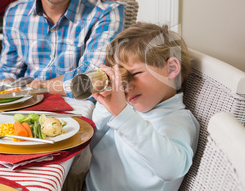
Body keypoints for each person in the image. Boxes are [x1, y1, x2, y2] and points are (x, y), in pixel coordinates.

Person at [85, 22, 200, 191]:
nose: (126, 85)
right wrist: (106, 103)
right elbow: (94, 145)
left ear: (171, 68)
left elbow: (172, 169)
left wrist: (122, 113)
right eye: (122, 77)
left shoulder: (177, 121)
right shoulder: (130, 110)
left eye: (136, 73)